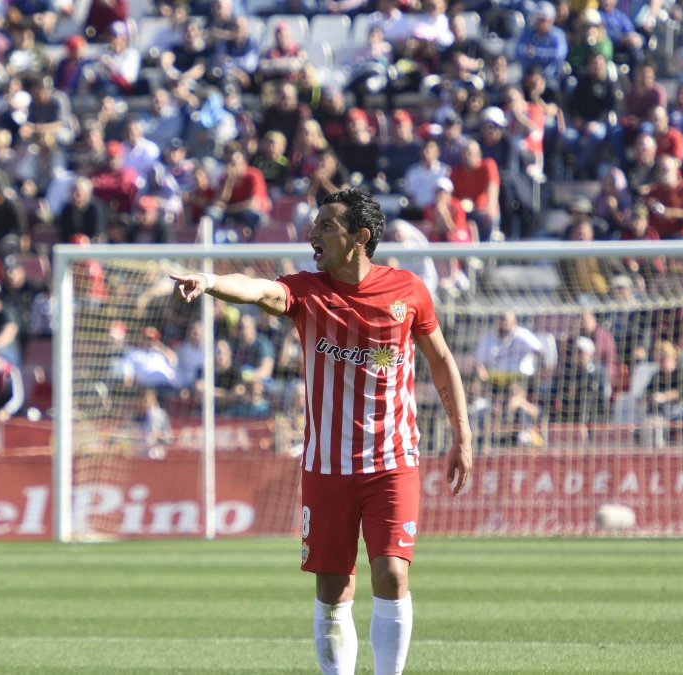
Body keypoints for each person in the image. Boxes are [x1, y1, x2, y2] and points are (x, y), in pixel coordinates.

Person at [171, 189, 473, 675]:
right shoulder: (308, 291)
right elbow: (259, 290)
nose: (313, 234)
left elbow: (441, 361)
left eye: (326, 226)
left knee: (392, 574)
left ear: (361, 237)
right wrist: (208, 281)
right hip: (327, 466)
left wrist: (463, 434)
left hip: (393, 460)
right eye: (314, 226)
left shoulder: (408, 291)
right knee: (334, 588)